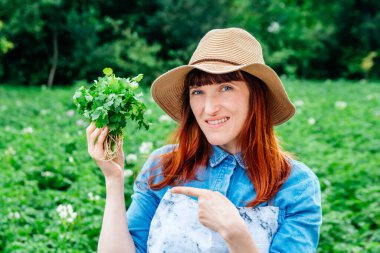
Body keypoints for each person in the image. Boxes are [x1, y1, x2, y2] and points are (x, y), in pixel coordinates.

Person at [87, 28, 322, 253]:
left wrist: (236, 234)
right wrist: (113, 178)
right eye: (198, 91)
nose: (209, 109)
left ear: (256, 96)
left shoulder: (296, 185)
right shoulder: (163, 166)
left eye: (226, 87)